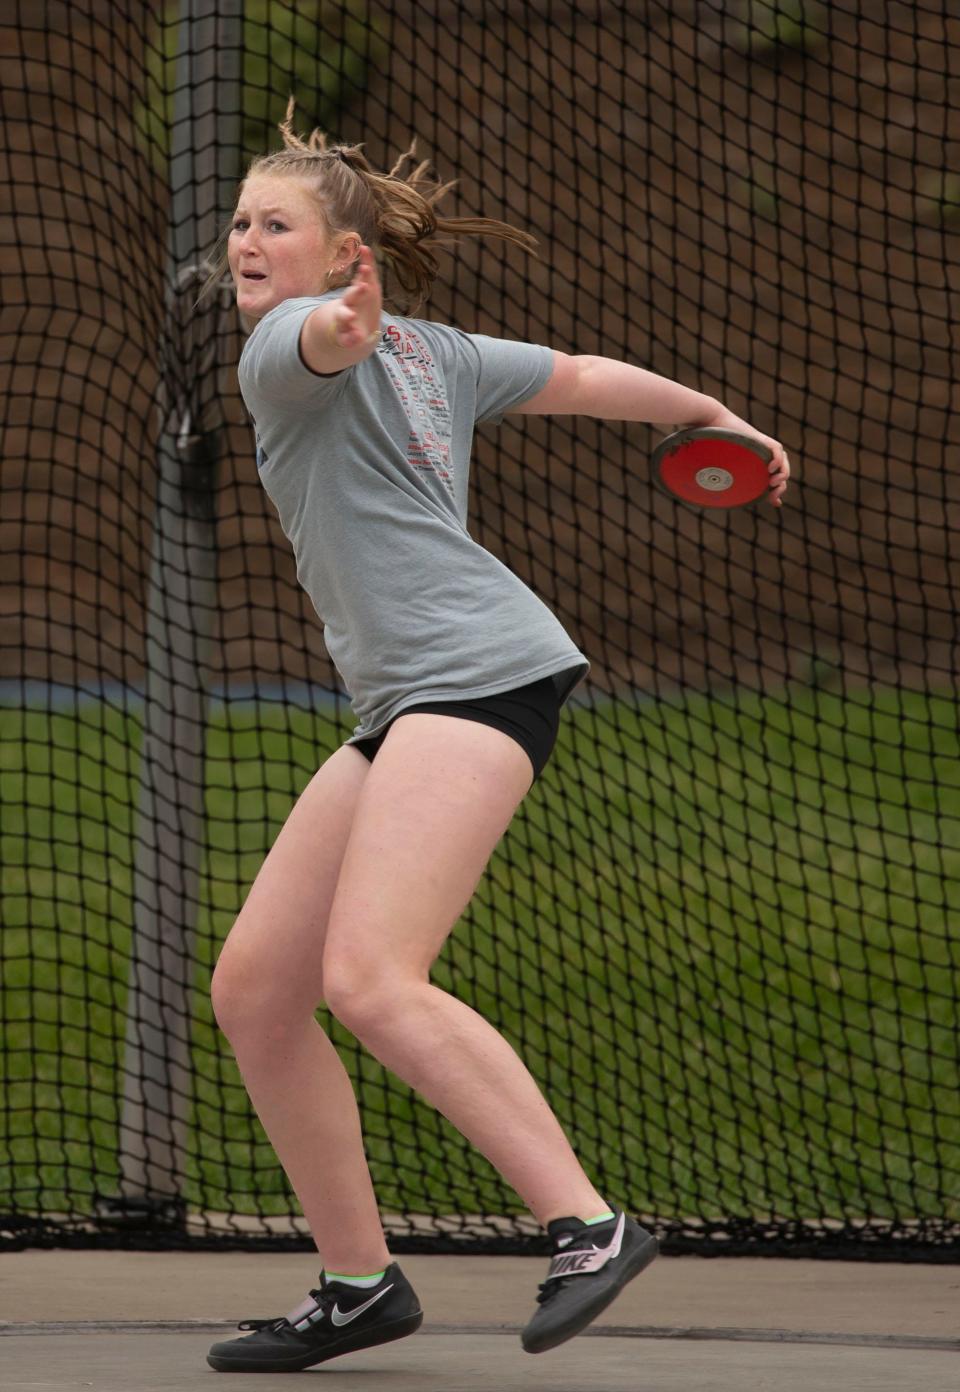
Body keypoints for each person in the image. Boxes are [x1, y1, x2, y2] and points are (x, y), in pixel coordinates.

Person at [204, 100, 791, 1375]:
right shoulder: (425, 347)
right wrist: (709, 414)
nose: (243, 240)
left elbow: (314, 343)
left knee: (369, 979)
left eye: (275, 224)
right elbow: (577, 380)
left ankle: (587, 1222)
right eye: (239, 220)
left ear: (345, 251)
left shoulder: (285, 352)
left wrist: (335, 326)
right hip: (413, 697)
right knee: (258, 991)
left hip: (475, 676)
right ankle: (360, 1284)